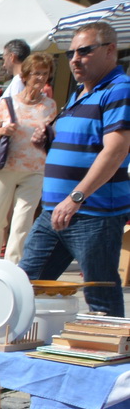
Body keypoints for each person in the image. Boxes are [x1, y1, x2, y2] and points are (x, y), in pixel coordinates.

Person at [21, 21, 130, 317]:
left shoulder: (119, 89)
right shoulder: (79, 93)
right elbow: (84, 147)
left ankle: (113, 348)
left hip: (93, 214)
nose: (75, 59)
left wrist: (76, 197)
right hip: (55, 210)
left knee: (100, 296)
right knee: (22, 285)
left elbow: (116, 151)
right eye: (71, 53)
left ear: (110, 50)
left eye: (84, 51)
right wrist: (48, 143)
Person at [0, 52, 57, 262]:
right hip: (4, 169)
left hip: (35, 170)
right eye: (36, 73)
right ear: (24, 76)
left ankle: (12, 268)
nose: (41, 78)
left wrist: (47, 135)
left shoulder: (50, 105)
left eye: (45, 74)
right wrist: (2, 131)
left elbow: (54, 136)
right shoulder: (8, 103)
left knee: (22, 223)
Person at [1, 38, 32, 103]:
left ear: (12, 57)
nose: (4, 65)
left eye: (4, 59)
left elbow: (16, 107)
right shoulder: (26, 79)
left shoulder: (18, 82)